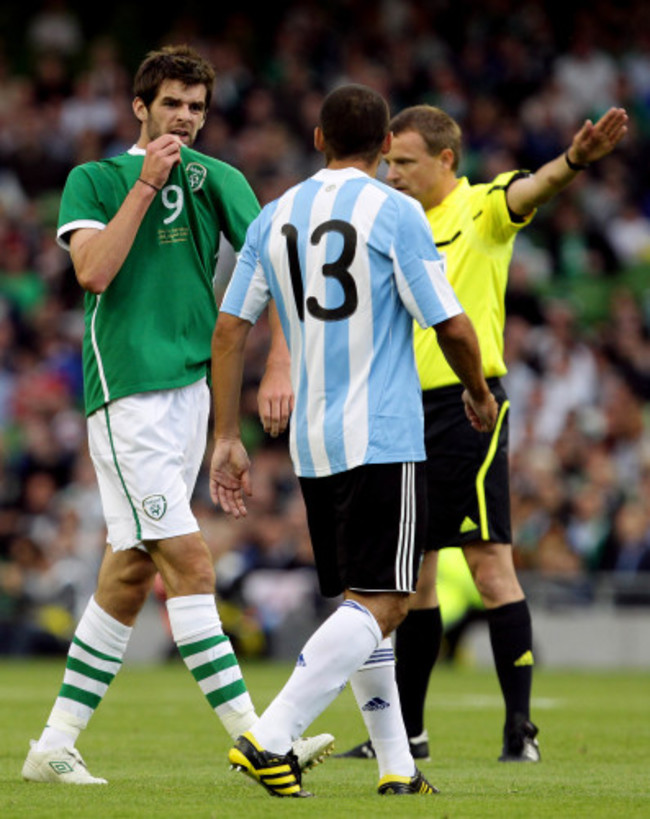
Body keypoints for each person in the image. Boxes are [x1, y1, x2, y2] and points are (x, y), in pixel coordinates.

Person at [21, 44, 333, 785]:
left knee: (129, 573)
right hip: (126, 393)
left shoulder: (218, 179)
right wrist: (145, 184)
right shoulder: (94, 178)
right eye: (172, 105)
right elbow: (93, 271)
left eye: (196, 107)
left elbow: (271, 266)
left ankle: (52, 745)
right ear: (141, 106)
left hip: (189, 395)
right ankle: (261, 738)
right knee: (190, 561)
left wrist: (272, 370)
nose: (186, 119)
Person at [209, 83, 498, 798]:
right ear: (382, 150)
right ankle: (269, 736)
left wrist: (226, 435)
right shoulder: (396, 211)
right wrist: (478, 388)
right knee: (389, 600)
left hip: (312, 443)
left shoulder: (275, 216)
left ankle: (397, 766)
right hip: (383, 434)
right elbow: (453, 324)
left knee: (360, 603)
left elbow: (229, 330)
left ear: (317, 139)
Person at [336, 103, 629, 763]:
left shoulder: (483, 207)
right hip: (399, 409)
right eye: (387, 161)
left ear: (445, 160)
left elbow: (536, 186)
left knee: (489, 563)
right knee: (412, 577)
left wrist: (577, 158)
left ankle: (518, 729)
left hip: (469, 407)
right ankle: (408, 733)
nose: (393, 173)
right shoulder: (394, 222)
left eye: (405, 161)